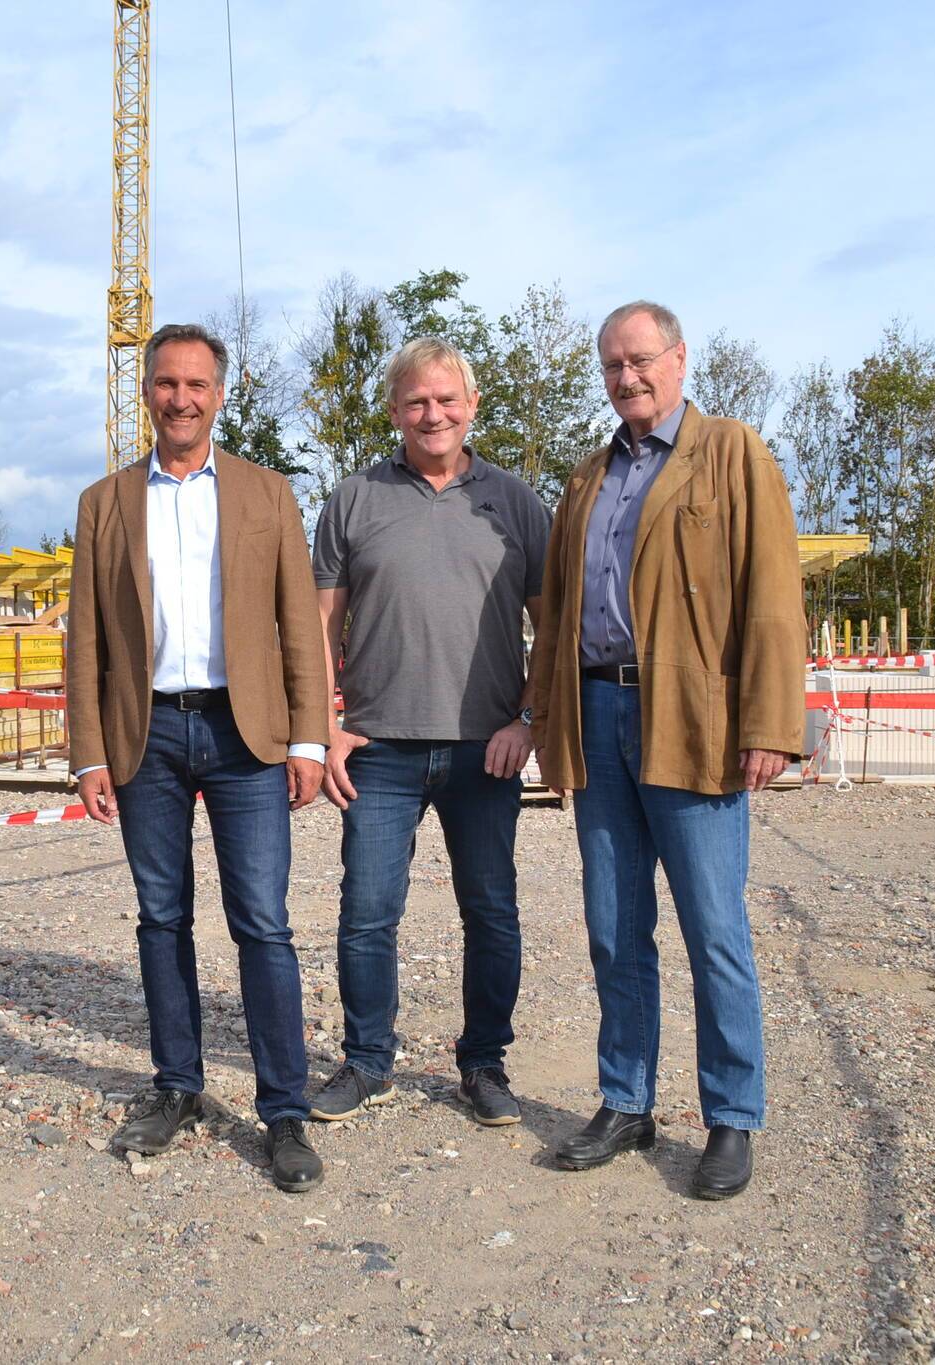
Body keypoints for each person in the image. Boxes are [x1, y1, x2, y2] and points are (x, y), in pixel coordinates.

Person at [528, 300, 805, 1201]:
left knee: (714, 927)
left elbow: (771, 595)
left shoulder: (732, 454)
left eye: (641, 360)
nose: (626, 378)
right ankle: (626, 1099)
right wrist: (547, 723)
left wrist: (769, 722)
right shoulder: (587, 476)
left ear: (680, 358)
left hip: (692, 720)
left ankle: (731, 1115)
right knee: (614, 926)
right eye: (612, 366)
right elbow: (558, 611)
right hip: (600, 716)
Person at [66, 322, 330, 1193]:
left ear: (221, 393)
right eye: (166, 383)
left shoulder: (267, 495)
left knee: (263, 921)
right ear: (146, 392)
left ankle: (283, 1109)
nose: (181, 398)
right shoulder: (105, 503)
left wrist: (305, 737)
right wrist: (88, 754)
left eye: (197, 384)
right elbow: (88, 642)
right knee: (160, 918)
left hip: (245, 736)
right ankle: (177, 1085)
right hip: (147, 736)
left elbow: (301, 621)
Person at [307, 337, 551, 1129]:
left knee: (492, 913)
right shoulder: (353, 500)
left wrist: (527, 719)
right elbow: (319, 627)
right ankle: (368, 1061)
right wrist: (326, 724)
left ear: (473, 405)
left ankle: (484, 1064)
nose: (432, 413)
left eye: (447, 399)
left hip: (487, 748)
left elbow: (553, 629)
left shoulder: (515, 504)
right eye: (416, 401)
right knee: (367, 912)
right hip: (378, 749)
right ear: (394, 409)